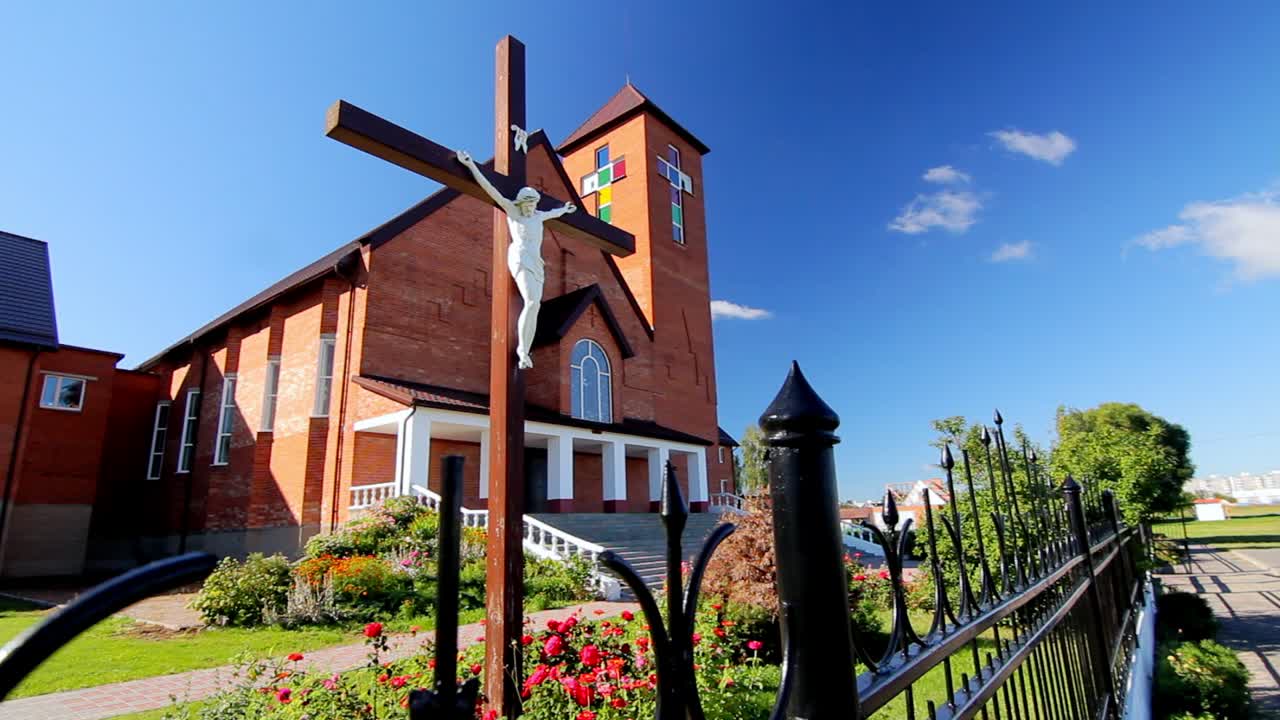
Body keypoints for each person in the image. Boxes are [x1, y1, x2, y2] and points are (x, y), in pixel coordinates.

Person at [456, 149, 576, 369]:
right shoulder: (513, 210)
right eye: (528, 204)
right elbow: (491, 189)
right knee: (530, 302)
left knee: (535, 305)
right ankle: (522, 351)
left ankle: (525, 349)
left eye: (533, 204)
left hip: (537, 261)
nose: (531, 208)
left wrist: (565, 209)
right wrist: (471, 165)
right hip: (520, 257)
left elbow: (555, 213)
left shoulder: (539, 215)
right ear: (521, 203)